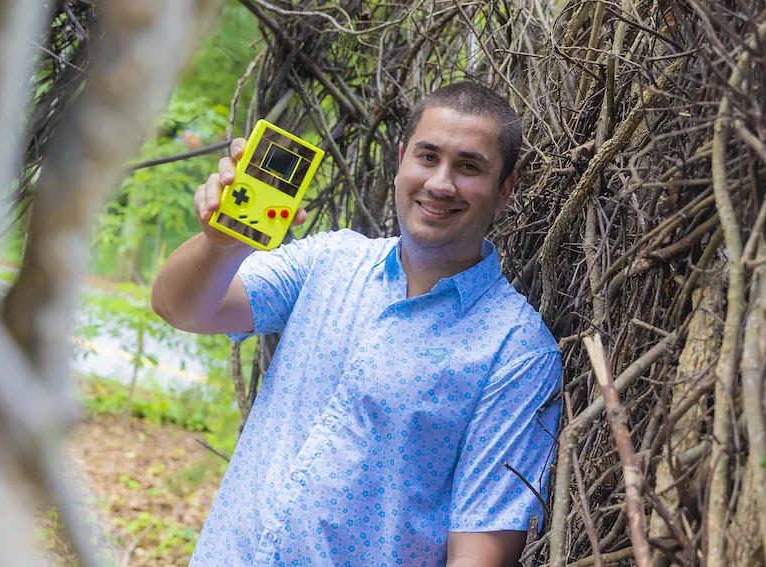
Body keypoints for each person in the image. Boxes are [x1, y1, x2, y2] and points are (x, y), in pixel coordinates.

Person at [151, 81, 562, 567]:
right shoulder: (329, 261)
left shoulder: (517, 350)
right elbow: (181, 307)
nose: (440, 183)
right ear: (401, 160)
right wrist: (222, 245)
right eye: (427, 157)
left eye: (469, 166)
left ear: (505, 190)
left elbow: (478, 555)